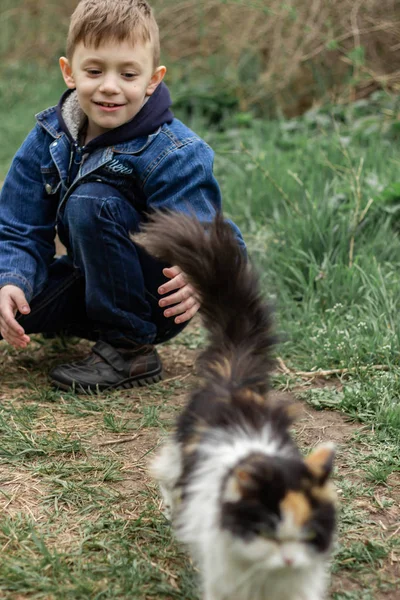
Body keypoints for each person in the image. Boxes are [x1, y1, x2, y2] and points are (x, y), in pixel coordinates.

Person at [0, 0, 245, 393]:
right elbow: (19, 225)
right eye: (94, 71)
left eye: (128, 74)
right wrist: (11, 280)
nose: (110, 86)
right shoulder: (49, 137)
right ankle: (83, 320)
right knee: (11, 296)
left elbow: (203, 227)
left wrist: (204, 270)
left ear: (152, 79)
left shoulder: (172, 150)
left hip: (154, 300)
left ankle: (129, 350)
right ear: (69, 72)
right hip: (88, 278)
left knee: (91, 200)